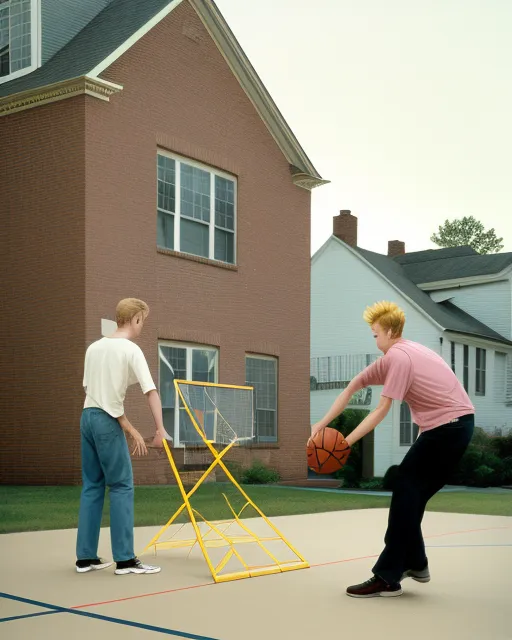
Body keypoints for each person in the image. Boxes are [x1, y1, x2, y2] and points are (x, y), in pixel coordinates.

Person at [310, 301, 475, 598]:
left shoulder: (400, 358)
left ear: (389, 331)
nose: (374, 341)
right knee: (410, 498)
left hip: (449, 428)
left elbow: (381, 410)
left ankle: (389, 575)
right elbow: (351, 388)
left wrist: (345, 442)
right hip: (452, 427)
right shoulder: (396, 355)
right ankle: (414, 564)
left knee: (405, 487)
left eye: (375, 335)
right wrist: (318, 425)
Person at [76, 298, 172, 575]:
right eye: (144, 320)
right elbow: (150, 390)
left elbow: (94, 392)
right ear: (137, 319)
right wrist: (160, 430)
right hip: (105, 421)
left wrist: (129, 428)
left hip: (87, 418)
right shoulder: (131, 349)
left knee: (92, 486)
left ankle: (85, 558)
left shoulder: (94, 348)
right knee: (121, 486)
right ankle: (126, 560)